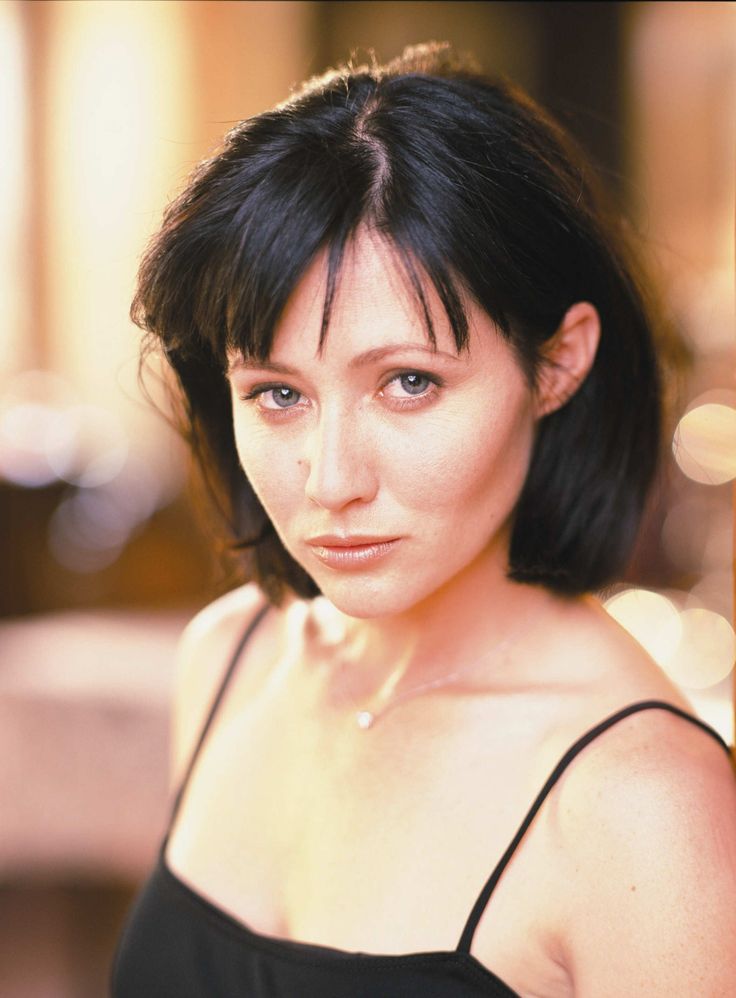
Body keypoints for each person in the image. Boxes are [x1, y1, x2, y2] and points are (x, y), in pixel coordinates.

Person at [111, 43, 736, 997]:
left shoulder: (643, 805)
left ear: (558, 362)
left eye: (409, 383)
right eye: (277, 393)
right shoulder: (231, 657)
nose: (330, 480)